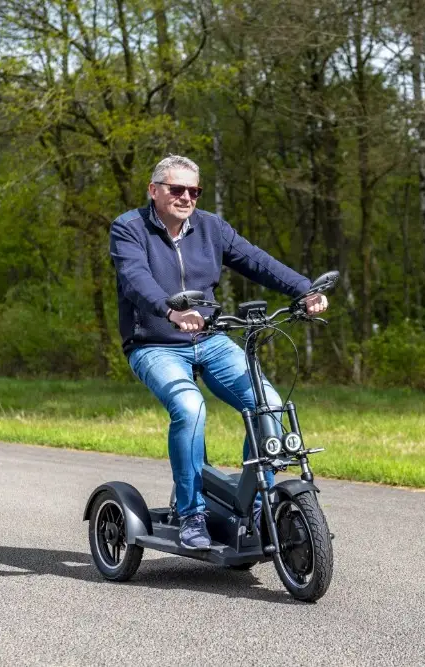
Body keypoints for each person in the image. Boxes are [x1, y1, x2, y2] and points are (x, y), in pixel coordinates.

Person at [109, 154, 328, 550]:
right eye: (177, 189)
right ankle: (192, 513)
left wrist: (304, 289)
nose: (186, 197)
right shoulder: (129, 228)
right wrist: (170, 309)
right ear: (154, 190)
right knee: (190, 409)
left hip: (208, 339)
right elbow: (134, 278)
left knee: (270, 407)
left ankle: (256, 503)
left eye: (194, 191)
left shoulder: (211, 227)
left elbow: (257, 261)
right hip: (154, 344)